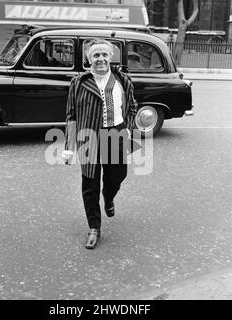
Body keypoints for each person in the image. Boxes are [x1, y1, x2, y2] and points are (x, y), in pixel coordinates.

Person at [62, 39, 138, 249]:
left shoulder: (123, 79)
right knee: (90, 185)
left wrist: (129, 130)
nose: (100, 59)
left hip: (116, 133)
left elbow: (132, 107)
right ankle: (94, 227)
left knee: (117, 176)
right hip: (89, 136)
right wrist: (68, 147)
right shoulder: (79, 82)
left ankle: (109, 196)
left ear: (111, 57)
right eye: (96, 55)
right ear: (89, 59)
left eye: (104, 55)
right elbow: (71, 115)